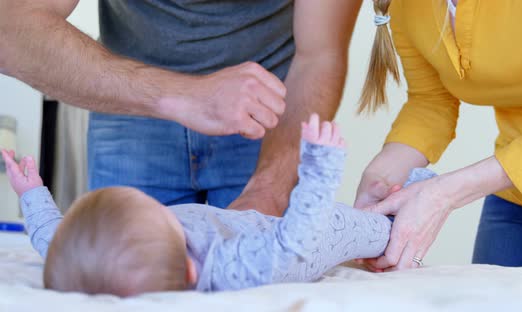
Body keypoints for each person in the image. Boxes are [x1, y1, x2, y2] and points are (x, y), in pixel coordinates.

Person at [1, 115, 435, 296]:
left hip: (249, 223)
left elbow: (54, 241)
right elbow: (295, 239)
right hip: (289, 243)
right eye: (158, 213)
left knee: (355, 217)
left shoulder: (92, 257)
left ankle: (400, 199)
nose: (164, 208)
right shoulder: (229, 266)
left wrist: (32, 193)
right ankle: (412, 203)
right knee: (356, 228)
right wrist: (321, 166)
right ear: (192, 270)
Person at [0, 1, 361, 215]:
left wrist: (271, 187)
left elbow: (320, 56)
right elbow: (10, 29)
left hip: (269, 119)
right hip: (133, 113)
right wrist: (182, 95)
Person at [354, 0, 522, 271]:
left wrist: (442, 195)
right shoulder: (409, 6)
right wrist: (380, 178)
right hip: (519, 194)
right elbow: (431, 103)